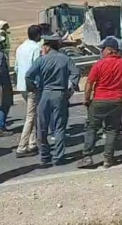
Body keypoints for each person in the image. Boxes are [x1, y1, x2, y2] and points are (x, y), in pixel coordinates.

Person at [25, 35, 80, 166]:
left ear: (47, 46)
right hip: (60, 95)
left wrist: (33, 88)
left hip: (44, 95)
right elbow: (75, 74)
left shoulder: (41, 60)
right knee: (59, 127)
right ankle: (58, 157)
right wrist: (71, 89)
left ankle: (45, 155)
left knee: (42, 127)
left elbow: (28, 75)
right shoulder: (66, 59)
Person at [77, 37, 122, 169]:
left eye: (103, 49)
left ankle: (87, 156)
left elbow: (89, 83)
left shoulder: (99, 64)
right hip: (118, 101)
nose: (101, 51)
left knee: (92, 128)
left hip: (100, 100)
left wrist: (86, 99)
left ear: (110, 50)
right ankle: (108, 158)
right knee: (112, 130)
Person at [14, 25, 42, 158]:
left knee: (32, 114)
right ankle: (22, 146)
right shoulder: (36, 48)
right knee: (30, 117)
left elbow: (16, 67)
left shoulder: (20, 47)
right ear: (38, 36)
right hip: (32, 86)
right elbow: (37, 67)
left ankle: (32, 143)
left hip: (21, 85)